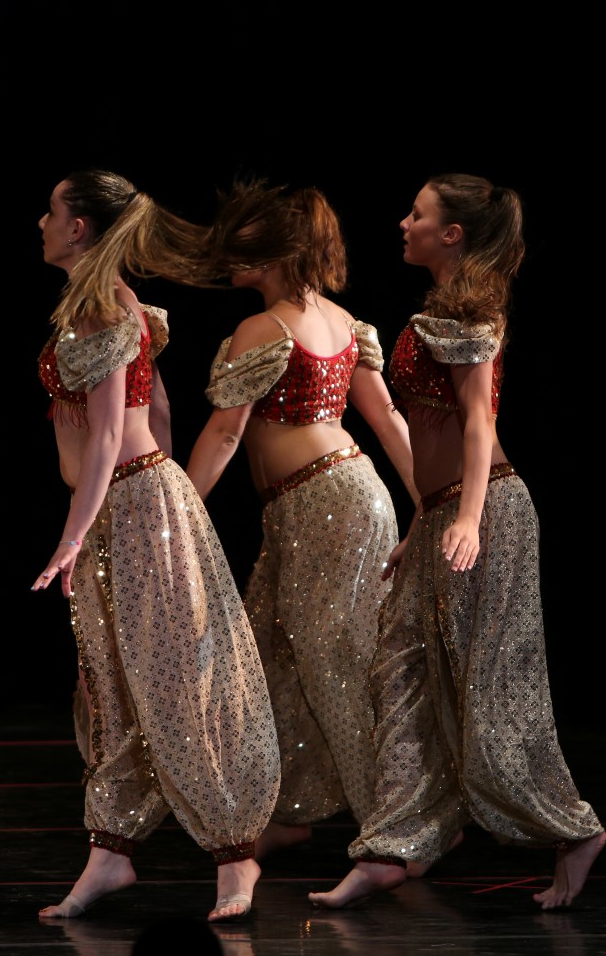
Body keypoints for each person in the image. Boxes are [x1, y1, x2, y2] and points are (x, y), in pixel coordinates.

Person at [310, 174, 605, 910]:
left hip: (488, 509)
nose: (403, 222)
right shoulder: (439, 309)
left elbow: (478, 422)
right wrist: (425, 523)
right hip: (443, 513)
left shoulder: (469, 312)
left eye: (418, 214)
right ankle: (394, 843)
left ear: (452, 234)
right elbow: (434, 435)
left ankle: (573, 830)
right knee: (402, 673)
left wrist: (468, 518)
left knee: (492, 687)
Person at [30, 169, 281, 922]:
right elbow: (159, 402)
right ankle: (111, 853)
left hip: (132, 504)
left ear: (78, 228)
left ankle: (235, 854)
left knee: (178, 681)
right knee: (111, 686)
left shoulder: (104, 306)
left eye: (50, 211)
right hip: (128, 507)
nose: (40, 222)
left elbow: (112, 432)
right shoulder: (99, 303)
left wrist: (77, 534)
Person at [183, 181, 416, 863]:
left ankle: (393, 828)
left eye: (244, 244)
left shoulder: (266, 328)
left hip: (325, 504)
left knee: (332, 661)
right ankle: (287, 809)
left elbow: (226, 434)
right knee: (277, 652)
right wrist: (423, 502)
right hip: (341, 499)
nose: (229, 256)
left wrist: (176, 511)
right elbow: (388, 421)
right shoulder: (342, 320)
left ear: (276, 252)